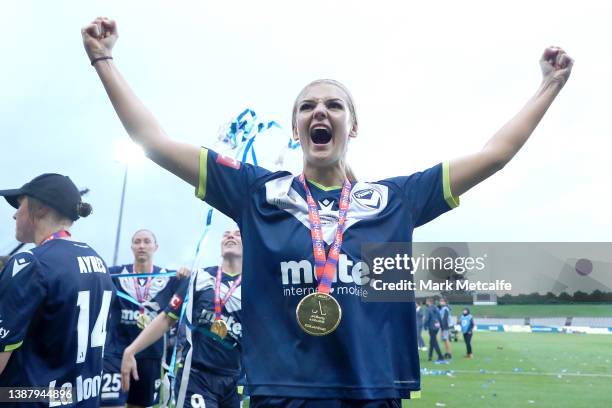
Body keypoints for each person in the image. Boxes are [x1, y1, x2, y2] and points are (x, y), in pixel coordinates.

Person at [82, 17, 573, 406]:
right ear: (295, 130)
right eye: (308, 106)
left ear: (352, 126)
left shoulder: (391, 200)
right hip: (283, 392)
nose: (320, 112)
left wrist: (549, 85)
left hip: (373, 390)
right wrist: (103, 58)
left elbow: (493, 155)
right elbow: (153, 142)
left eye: (334, 106)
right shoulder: (259, 192)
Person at [0, 174, 114, 407]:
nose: (14, 214)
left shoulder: (31, 263)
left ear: (40, 208)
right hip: (77, 398)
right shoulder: (97, 259)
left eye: (19, 205)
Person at [121, 229, 243, 408]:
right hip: (196, 376)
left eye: (237, 234)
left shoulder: (254, 286)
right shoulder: (199, 278)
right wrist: (130, 350)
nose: (230, 236)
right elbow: (166, 318)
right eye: (225, 234)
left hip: (233, 381)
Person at [101, 229, 189, 408]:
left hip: (151, 355)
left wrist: (186, 274)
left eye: (147, 241)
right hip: (116, 353)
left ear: (155, 247)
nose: (142, 246)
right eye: (137, 241)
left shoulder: (170, 278)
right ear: (131, 247)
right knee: (109, 405)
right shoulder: (115, 274)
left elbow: (191, 288)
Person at [424, 297, 444, 362]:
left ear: (429, 302)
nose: (426, 303)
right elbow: (440, 318)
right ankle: (430, 356)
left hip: (431, 327)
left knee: (434, 342)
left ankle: (440, 356)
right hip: (437, 327)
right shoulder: (437, 309)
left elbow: (427, 319)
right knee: (432, 342)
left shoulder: (428, 309)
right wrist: (442, 327)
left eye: (427, 302)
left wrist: (425, 326)